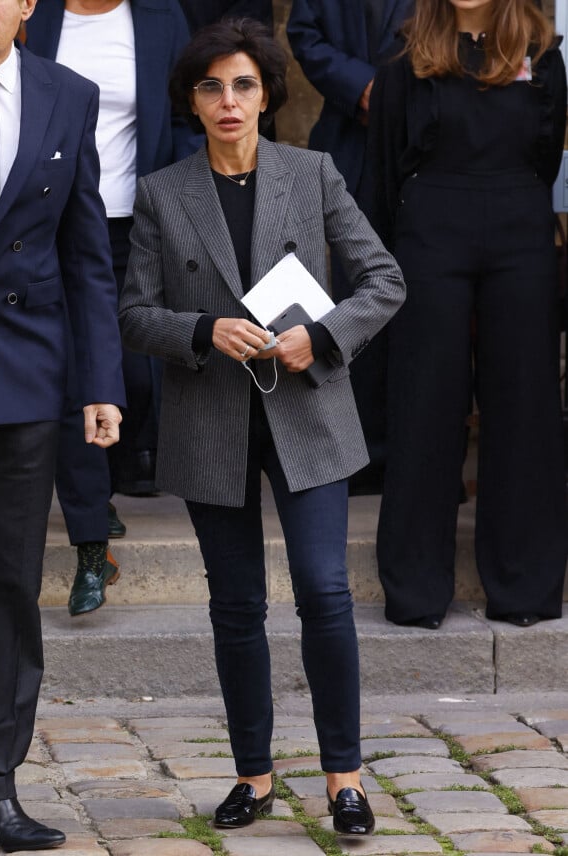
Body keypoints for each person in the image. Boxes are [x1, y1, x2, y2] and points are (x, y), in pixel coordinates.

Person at [119, 17, 405, 836]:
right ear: (193, 101)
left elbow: (384, 281)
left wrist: (320, 335)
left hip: (308, 412)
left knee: (323, 592)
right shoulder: (163, 192)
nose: (229, 101)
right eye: (212, 87)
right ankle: (254, 774)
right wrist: (202, 330)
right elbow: (133, 313)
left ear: (267, 93)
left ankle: (345, 779)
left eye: (243, 85)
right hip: (210, 420)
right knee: (236, 605)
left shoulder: (312, 175)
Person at [361, 0, 568, 629]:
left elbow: (547, 158)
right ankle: (418, 590)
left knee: (525, 404)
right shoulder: (405, 54)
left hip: (519, 224)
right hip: (431, 227)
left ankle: (525, 586)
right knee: (427, 402)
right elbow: (384, 162)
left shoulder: (541, 51)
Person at [0, 0, 124, 849]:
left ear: (26, 2)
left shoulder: (67, 95)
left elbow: (86, 256)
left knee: (7, 586)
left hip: (23, 375)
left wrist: (100, 382)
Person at [26, 0, 197, 615]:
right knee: (76, 374)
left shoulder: (158, 19)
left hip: (131, 219)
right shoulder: (35, 16)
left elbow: (181, 113)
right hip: (47, 221)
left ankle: (107, 487)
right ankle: (92, 532)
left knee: (124, 370)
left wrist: (176, 192)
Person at [287, 0, 413, 493]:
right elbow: (305, 34)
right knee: (352, 302)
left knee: (422, 307)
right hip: (350, 143)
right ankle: (358, 454)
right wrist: (359, 85)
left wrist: (397, 94)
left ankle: (412, 451)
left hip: (426, 146)